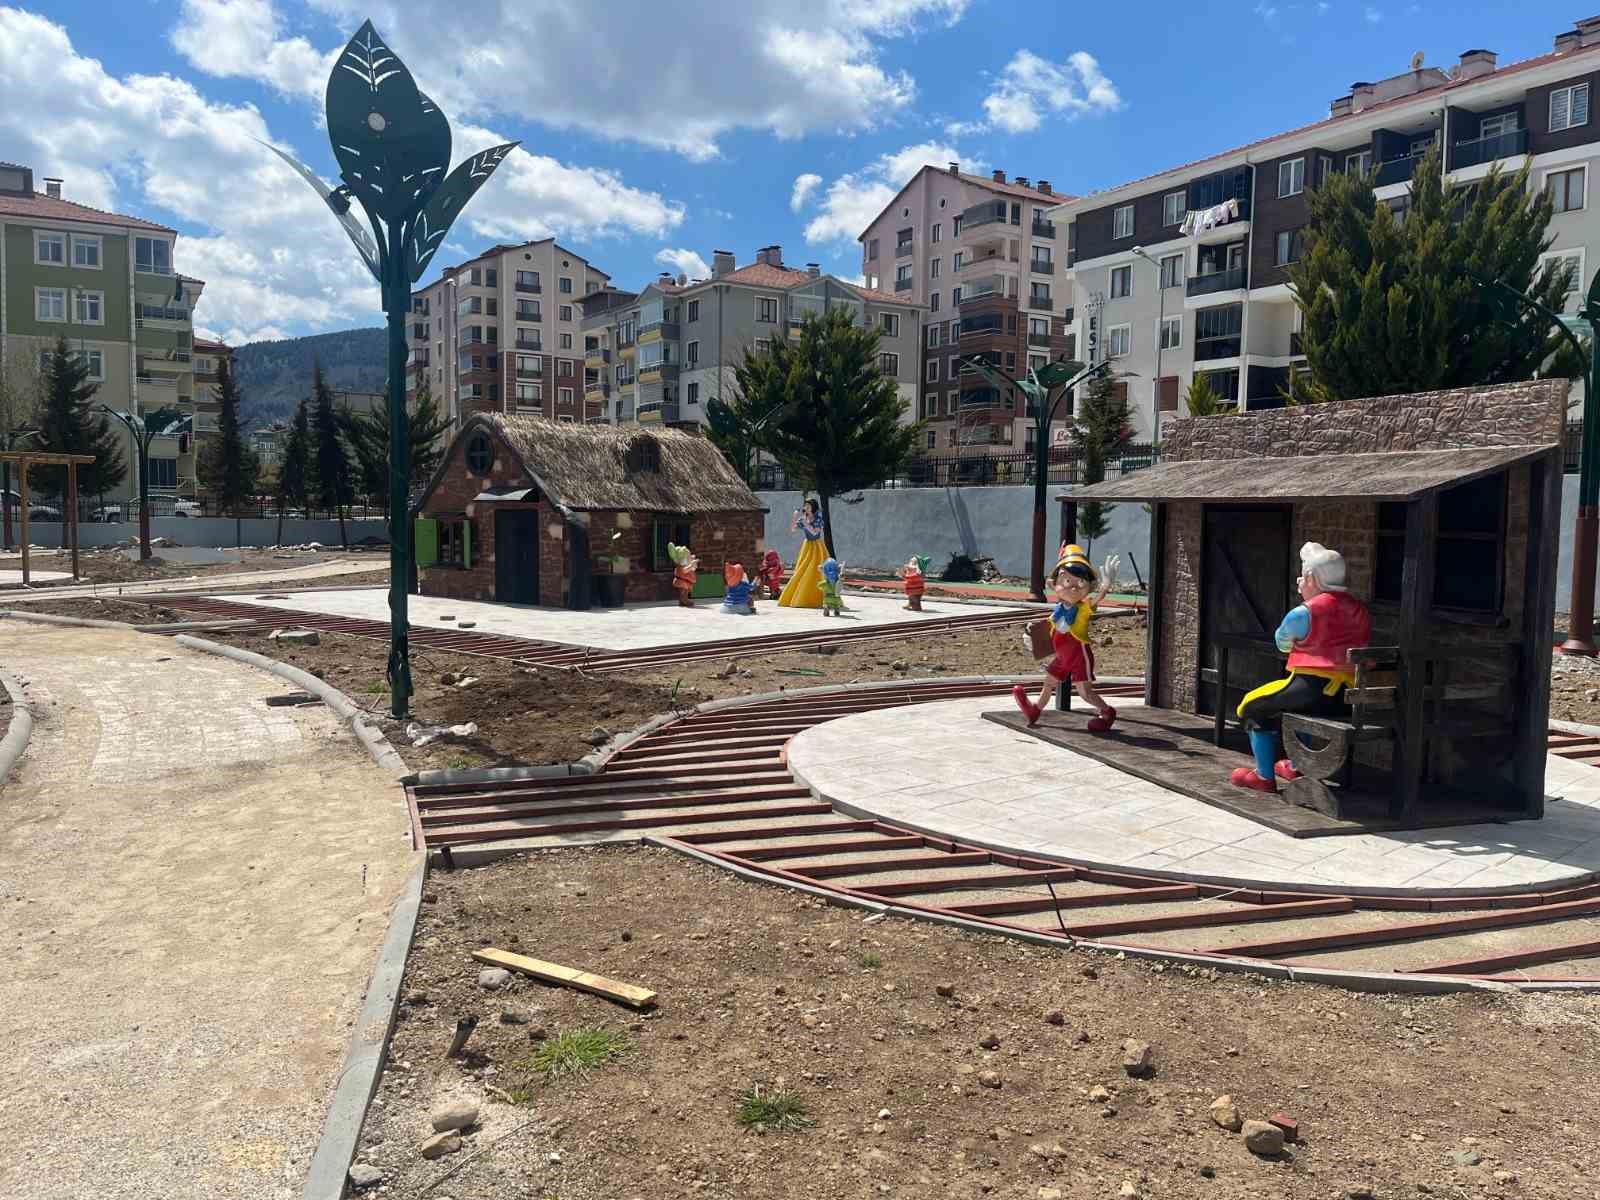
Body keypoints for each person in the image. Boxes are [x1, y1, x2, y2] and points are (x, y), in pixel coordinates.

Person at [1230, 542, 1373, 794]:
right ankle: (1295, 765)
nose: (1299, 582)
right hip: (1348, 698)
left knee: (1252, 706)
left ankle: (1263, 777)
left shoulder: (1302, 613)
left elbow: (1282, 643)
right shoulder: (1359, 609)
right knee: (1296, 707)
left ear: (1311, 578)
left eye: (1302, 576)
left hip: (1311, 689)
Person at [1012, 543, 1120, 732]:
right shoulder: (1059, 610)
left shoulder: (1084, 607)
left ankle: (1107, 712)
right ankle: (1035, 710)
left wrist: (1105, 586)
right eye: (1066, 582)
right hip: (1062, 657)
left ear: (1089, 587)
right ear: (1053, 584)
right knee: (1048, 683)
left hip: (1079, 655)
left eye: (1080, 583)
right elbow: (1052, 629)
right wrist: (1033, 640)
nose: (1072, 588)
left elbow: (1097, 599)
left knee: (1085, 692)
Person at [778, 498, 826, 608]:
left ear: (813, 508)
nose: (806, 508)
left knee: (816, 569)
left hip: (817, 546)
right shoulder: (804, 518)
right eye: (805, 506)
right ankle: (800, 595)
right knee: (803, 569)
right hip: (807, 545)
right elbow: (793, 529)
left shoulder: (818, 518)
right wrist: (795, 518)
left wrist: (806, 524)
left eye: (808, 506)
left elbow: (815, 532)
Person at [667, 542, 698, 608]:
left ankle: (684, 600)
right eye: (688, 556)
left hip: (685, 582)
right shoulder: (681, 567)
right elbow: (685, 570)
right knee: (683, 592)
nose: (689, 557)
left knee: (685, 592)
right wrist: (691, 565)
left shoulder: (686, 564)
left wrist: (693, 565)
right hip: (682, 582)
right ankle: (684, 600)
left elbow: (692, 569)